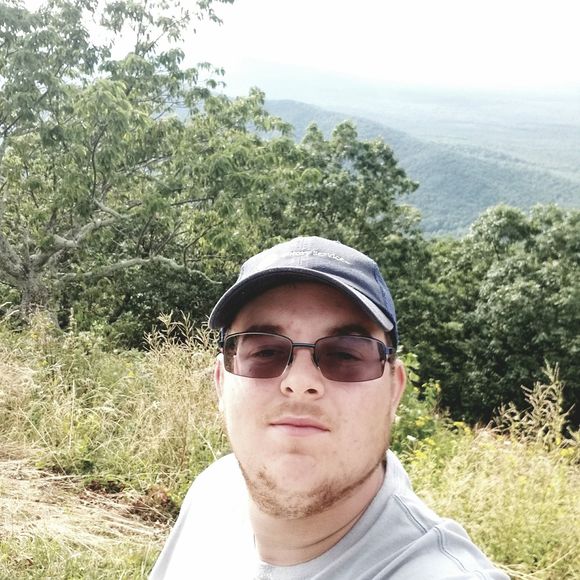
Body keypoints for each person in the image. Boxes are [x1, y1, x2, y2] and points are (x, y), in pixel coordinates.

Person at [150, 236, 508, 580]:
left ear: (393, 392)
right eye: (265, 352)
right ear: (220, 383)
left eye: (345, 355)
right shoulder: (215, 489)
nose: (300, 381)